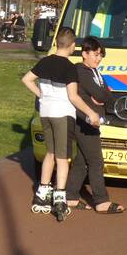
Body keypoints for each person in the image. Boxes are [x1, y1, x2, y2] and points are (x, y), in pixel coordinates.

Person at [21, 26, 102, 221]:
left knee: (50, 152)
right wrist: (91, 113)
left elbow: (26, 80)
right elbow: (73, 97)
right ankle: (59, 197)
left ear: (57, 42)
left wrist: (43, 95)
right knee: (63, 157)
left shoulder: (44, 61)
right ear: (73, 46)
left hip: (46, 113)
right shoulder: (69, 68)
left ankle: (42, 194)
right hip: (62, 115)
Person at [65, 36, 125, 214]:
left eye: (101, 55)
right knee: (96, 161)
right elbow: (100, 93)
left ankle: (71, 197)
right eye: (95, 54)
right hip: (85, 122)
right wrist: (100, 96)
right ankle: (101, 201)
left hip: (93, 122)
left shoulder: (95, 72)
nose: (98, 58)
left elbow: (105, 93)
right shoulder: (81, 70)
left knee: (81, 162)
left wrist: (102, 95)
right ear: (84, 53)